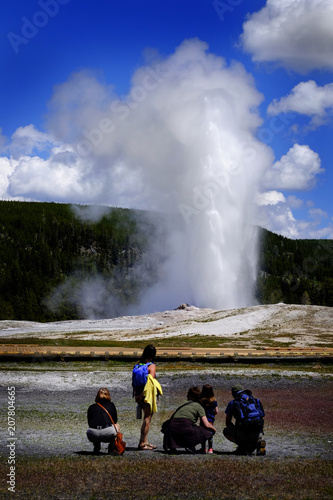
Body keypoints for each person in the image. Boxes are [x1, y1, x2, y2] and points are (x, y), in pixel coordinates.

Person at [163, 386, 216, 453]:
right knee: (205, 432)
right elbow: (207, 424)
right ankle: (190, 444)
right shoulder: (199, 406)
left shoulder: (183, 403)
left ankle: (172, 445)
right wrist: (214, 430)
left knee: (181, 427)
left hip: (172, 427)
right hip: (186, 428)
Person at [133, 344, 161, 450]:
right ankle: (143, 443)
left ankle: (144, 441)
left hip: (139, 394)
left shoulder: (138, 365)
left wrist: (137, 395)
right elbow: (151, 381)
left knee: (146, 417)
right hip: (147, 395)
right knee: (147, 418)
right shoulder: (151, 366)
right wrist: (143, 395)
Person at [223, 385, 265, 456]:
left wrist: (236, 427)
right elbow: (262, 417)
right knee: (252, 444)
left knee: (226, 431)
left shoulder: (232, 403)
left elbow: (228, 422)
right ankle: (259, 440)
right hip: (257, 431)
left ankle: (243, 445)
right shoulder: (255, 401)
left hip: (243, 431)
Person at [86, 387, 119, 454]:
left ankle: (96, 446)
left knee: (95, 425)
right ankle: (111, 446)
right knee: (117, 425)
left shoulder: (91, 407)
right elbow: (114, 420)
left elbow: (89, 423)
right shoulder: (111, 405)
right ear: (108, 395)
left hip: (92, 434)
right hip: (107, 433)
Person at [200, 384, 218, 454]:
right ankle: (210, 448)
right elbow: (216, 411)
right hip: (210, 420)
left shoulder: (201, 401)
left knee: (203, 433)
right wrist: (213, 415)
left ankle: (203, 448)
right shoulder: (214, 401)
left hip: (203, 419)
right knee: (210, 434)